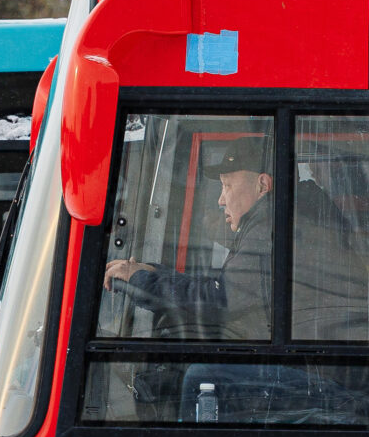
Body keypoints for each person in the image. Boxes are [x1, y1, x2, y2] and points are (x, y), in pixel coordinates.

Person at [101, 137, 273, 342]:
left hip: (269, 361)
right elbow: (218, 290)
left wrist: (141, 280)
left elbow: (217, 303)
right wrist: (153, 272)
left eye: (227, 185)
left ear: (262, 186)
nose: (221, 200)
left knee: (195, 373)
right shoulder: (266, 225)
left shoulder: (264, 234)